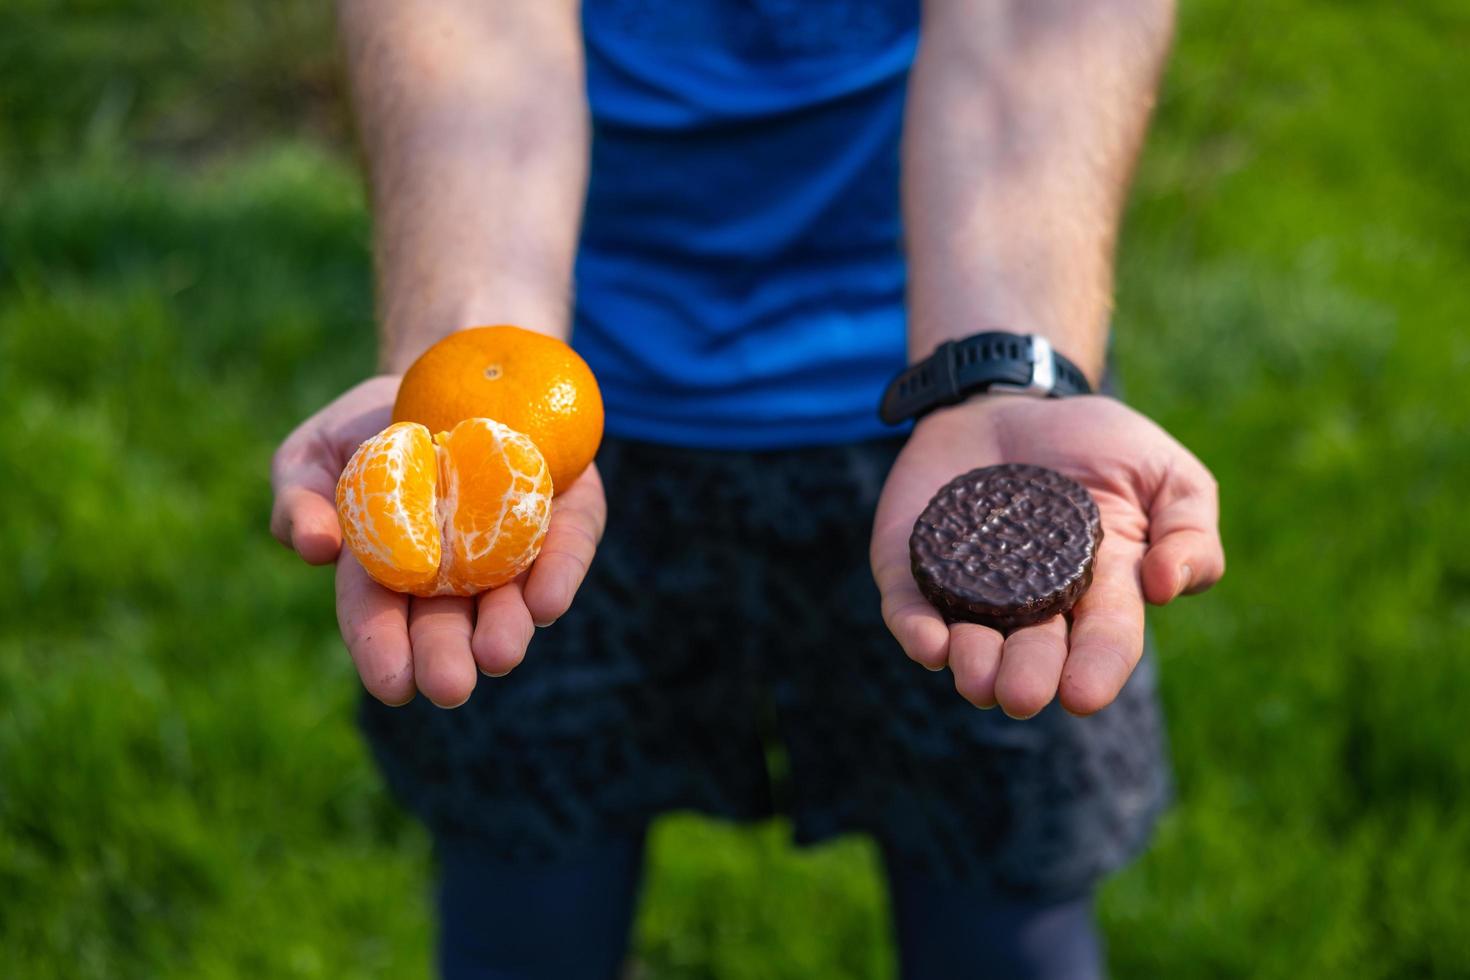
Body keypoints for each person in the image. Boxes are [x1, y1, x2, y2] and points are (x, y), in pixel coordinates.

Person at [270, 1, 1224, 976]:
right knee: (524, 882)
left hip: (955, 410)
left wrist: (1003, 367)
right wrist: (468, 347)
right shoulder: (482, 473)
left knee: (1006, 901)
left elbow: (1031, 21)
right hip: (565, 429)